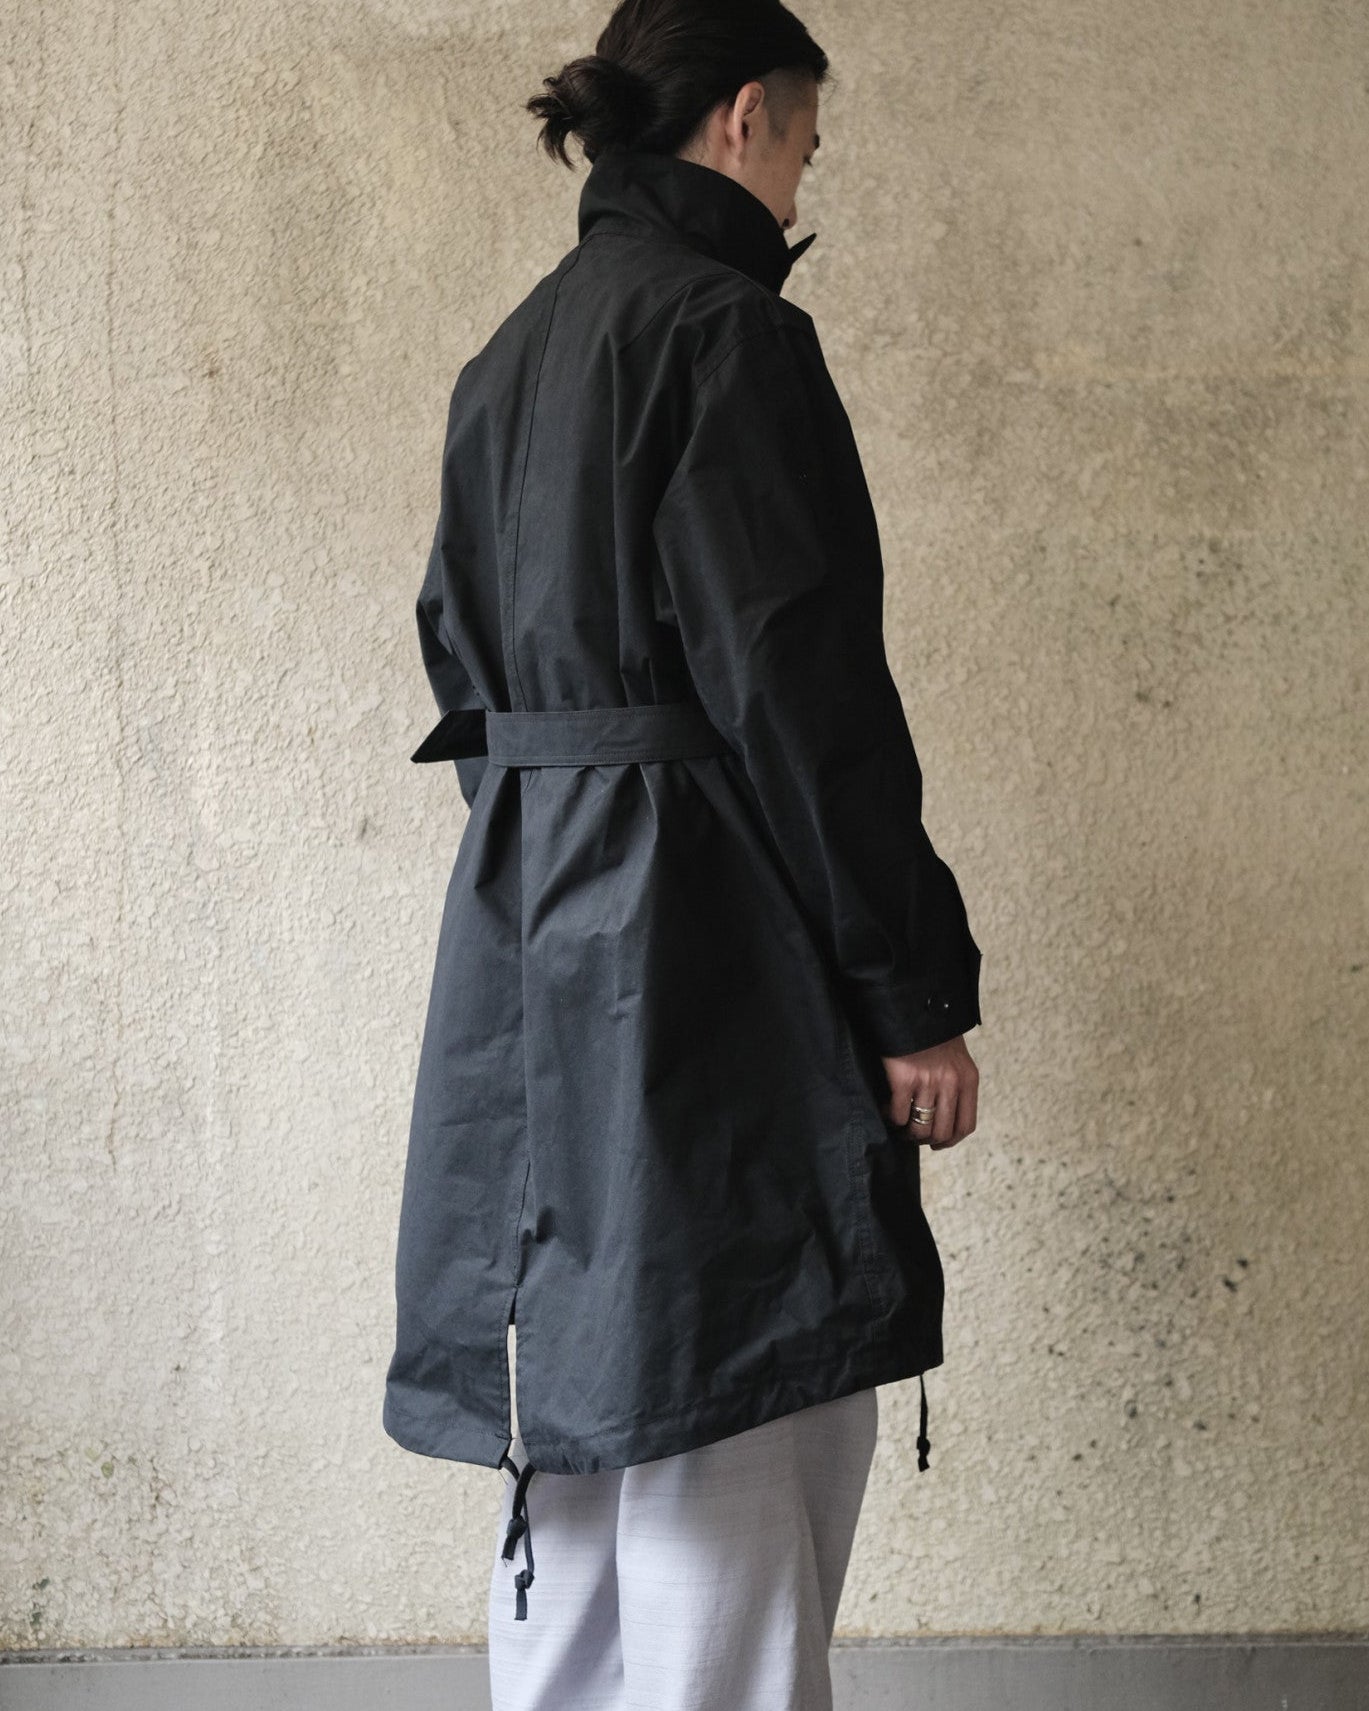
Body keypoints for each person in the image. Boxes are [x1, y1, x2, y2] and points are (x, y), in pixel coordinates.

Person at [382, 2, 984, 1706]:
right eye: (803, 145)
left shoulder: (510, 356)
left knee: (575, 1396)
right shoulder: (727, 334)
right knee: (738, 1386)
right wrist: (908, 998)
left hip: (527, 933)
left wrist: (562, 858)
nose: (800, 187)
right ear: (740, 118)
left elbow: (455, 653)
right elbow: (802, 690)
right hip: (713, 945)